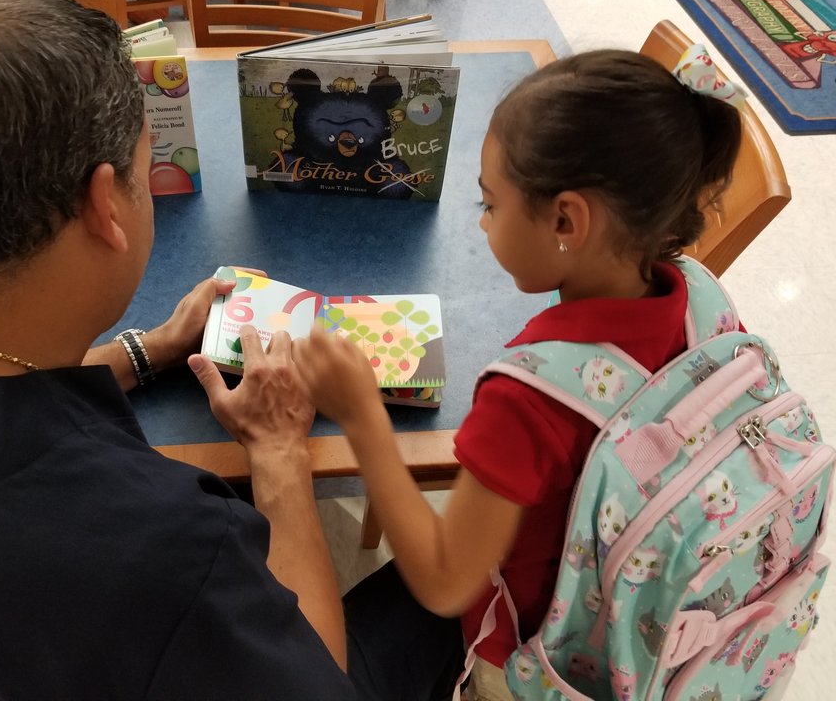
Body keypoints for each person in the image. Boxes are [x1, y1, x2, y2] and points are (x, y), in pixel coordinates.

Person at [0, 0, 355, 700]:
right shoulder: (170, 545)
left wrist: (151, 349)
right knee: (429, 606)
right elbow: (316, 680)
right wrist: (280, 455)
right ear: (106, 205)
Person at [293, 48, 744, 701]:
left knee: (317, 661)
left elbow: (448, 580)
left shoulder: (530, 396)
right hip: (663, 620)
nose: (481, 222)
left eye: (490, 203)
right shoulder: (703, 292)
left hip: (544, 652)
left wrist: (362, 415)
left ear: (566, 220)